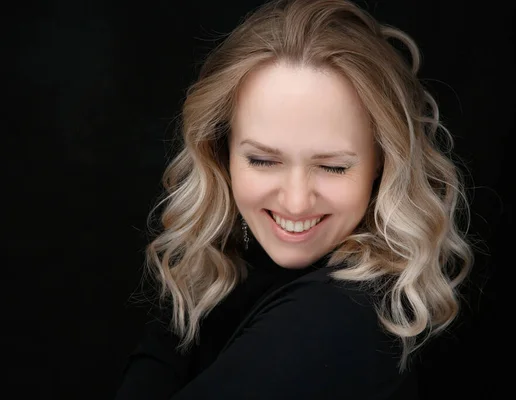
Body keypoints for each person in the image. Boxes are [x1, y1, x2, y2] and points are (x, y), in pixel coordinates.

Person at [114, 0, 473, 398]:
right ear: (220, 151)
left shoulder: (336, 316)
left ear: (382, 163)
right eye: (264, 160)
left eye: (333, 167)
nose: (297, 202)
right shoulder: (225, 273)